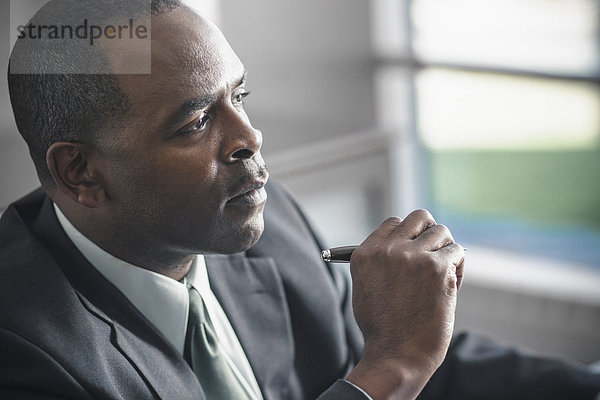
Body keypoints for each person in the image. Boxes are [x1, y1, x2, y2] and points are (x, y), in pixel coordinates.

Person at [0, 1, 598, 399]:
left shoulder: (266, 217)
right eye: (195, 122)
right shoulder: (22, 352)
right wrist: (388, 369)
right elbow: (393, 364)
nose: (249, 138)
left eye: (241, 95)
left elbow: (431, 366)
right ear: (79, 170)